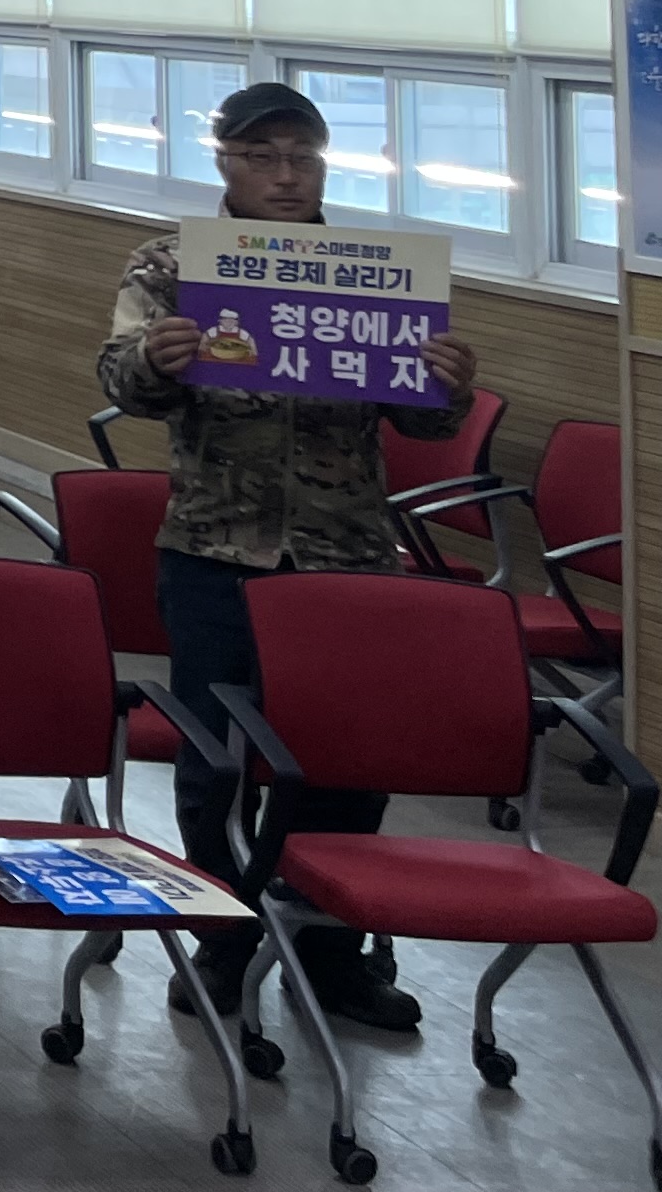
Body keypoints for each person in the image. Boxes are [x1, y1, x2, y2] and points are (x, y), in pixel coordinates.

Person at [97, 81, 478, 1036]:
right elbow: (122, 378)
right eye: (261, 156)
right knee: (215, 762)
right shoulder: (174, 264)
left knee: (346, 758)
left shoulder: (374, 273)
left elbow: (426, 421)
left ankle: (329, 951)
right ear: (223, 161)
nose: (285, 175)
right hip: (217, 547)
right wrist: (157, 361)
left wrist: (449, 389)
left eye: (302, 157)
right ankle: (222, 940)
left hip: (348, 556)